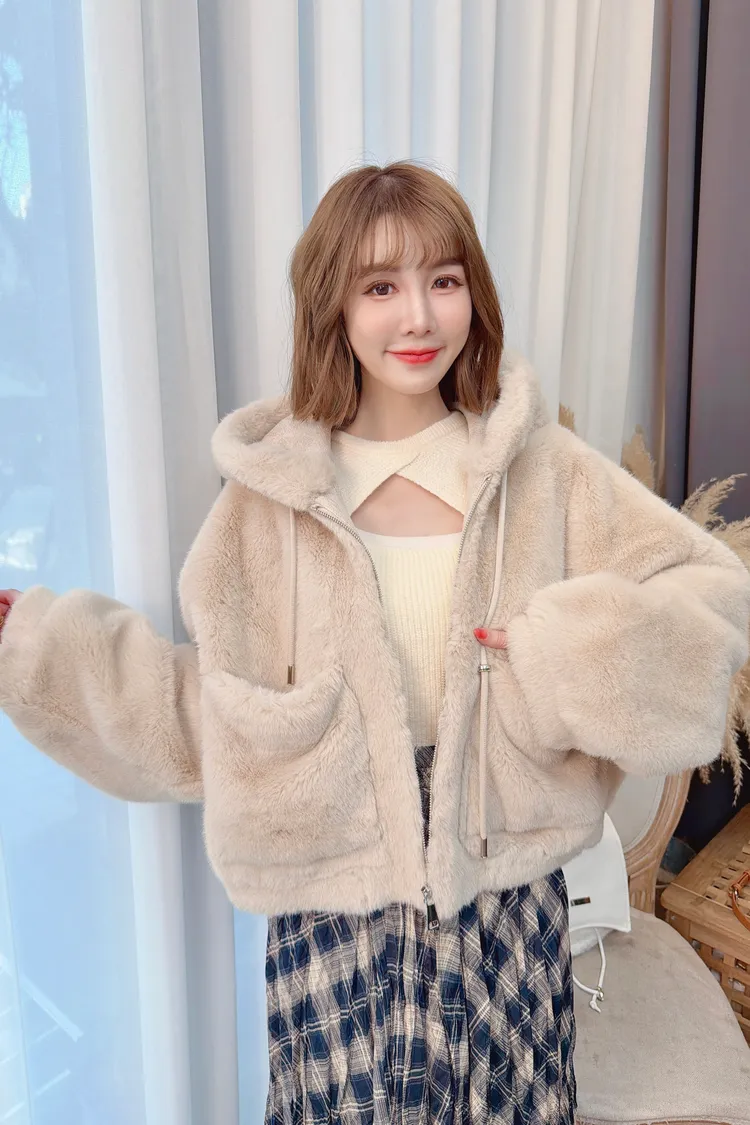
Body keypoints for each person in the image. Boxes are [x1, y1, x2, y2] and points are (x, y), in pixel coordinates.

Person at [1, 161, 749, 1125]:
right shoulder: (270, 504)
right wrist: (43, 652)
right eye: (381, 286)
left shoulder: (542, 472)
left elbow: (711, 595)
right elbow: (206, 713)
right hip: (332, 929)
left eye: (444, 279)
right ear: (335, 306)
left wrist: (561, 655)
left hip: (504, 906)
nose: (420, 317)